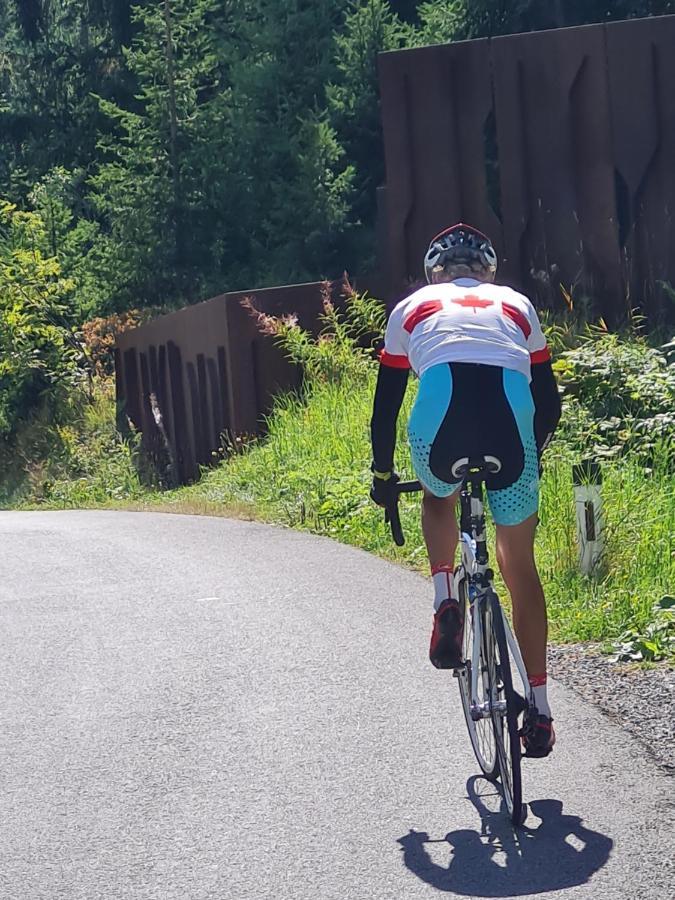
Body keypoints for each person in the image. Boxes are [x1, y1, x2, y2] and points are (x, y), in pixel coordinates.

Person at [369, 223, 561, 757]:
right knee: (519, 565)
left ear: (437, 272)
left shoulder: (412, 306)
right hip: (511, 421)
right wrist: (530, 456)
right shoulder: (517, 304)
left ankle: (445, 603)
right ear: (487, 273)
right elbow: (549, 403)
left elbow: (385, 409)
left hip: (442, 415)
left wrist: (383, 476)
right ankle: (541, 710)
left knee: (438, 498)